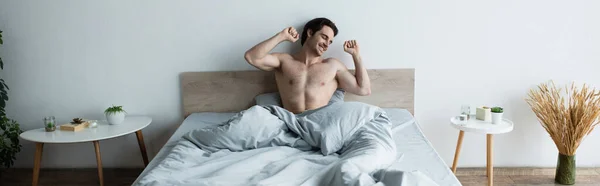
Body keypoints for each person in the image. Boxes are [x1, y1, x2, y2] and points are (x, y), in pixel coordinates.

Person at [244, 17, 371, 114]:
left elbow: (364, 89)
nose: (327, 44)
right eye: (324, 37)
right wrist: (281, 36)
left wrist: (356, 55)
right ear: (310, 33)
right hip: (289, 122)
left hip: (318, 124)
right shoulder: (285, 61)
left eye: (330, 41)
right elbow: (252, 57)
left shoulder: (332, 65)